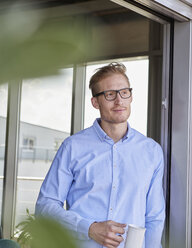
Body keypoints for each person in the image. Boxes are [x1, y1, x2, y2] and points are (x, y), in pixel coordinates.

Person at [35, 62, 165, 248]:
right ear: (95, 102)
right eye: (110, 94)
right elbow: (44, 207)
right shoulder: (72, 147)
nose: (119, 101)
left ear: (131, 96)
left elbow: (154, 217)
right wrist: (89, 228)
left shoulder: (151, 151)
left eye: (124, 92)